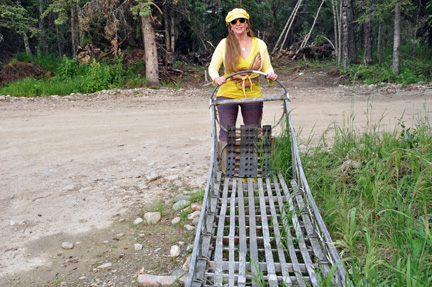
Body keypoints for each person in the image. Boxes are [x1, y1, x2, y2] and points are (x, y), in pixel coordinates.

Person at [208, 8, 278, 142]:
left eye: (241, 20)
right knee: (226, 133)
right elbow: (212, 67)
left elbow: (267, 66)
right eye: (234, 22)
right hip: (227, 93)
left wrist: (270, 74)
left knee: (253, 133)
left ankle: (253, 161)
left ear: (247, 23)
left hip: (253, 93)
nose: (238, 24)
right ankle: (224, 161)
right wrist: (216, 78)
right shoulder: (224, 44)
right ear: (230, 26)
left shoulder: (260, 44)